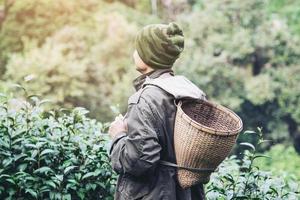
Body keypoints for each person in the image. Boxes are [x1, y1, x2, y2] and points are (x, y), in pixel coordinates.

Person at [108, 22, 207, 200]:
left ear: (149, 55)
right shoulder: (192, 92)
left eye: (138, 49)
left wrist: (118, 135)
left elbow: (139, 162)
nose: (134, 54)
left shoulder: (145, 99)